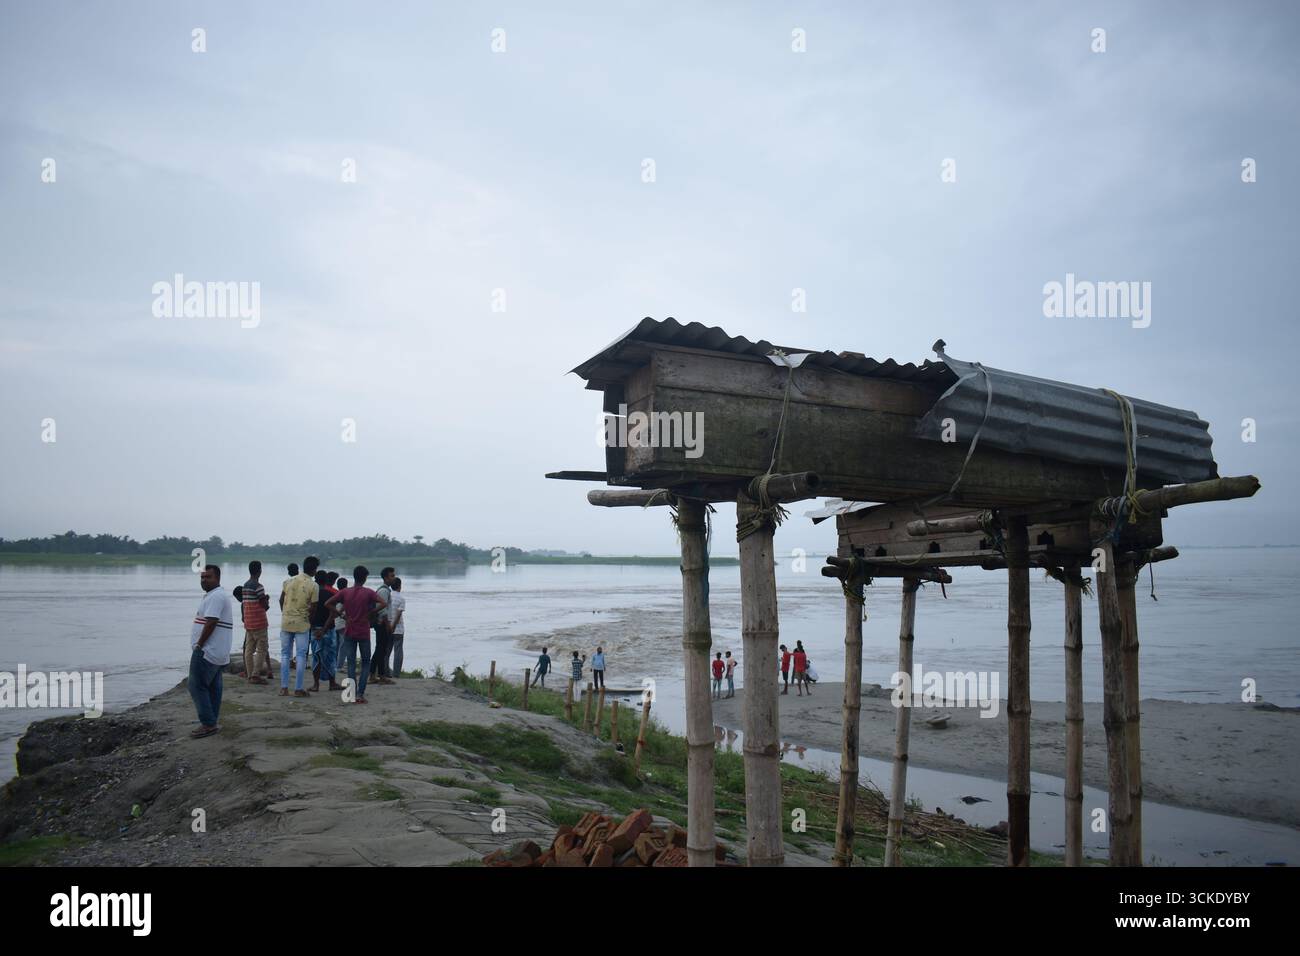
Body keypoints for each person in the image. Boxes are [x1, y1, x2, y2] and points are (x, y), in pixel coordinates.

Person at [324, 566, 386, 704]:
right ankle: (360, 694)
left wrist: (342, 614)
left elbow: (327, 603)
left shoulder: (345, 592)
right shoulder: (368, 592)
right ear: (365, 578)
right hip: (363, 631)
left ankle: (352, 693)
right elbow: (383, 603)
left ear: (354, 576)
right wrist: (371, 613)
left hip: (349, 630)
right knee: (365, 663)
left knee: (351, 663)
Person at [189, 564, 233, 738]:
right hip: (217, 651)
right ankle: (211, 720)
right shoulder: (215, 595)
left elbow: (211, 622)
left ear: (218, 578)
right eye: (202, 577)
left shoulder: (216, 596)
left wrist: (199, 645)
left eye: (208, 577)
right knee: (213, 687)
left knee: (196, 686)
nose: (204, 580)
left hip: (208, 651)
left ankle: (208, 724)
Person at [279, 555, 320, 697]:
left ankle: (284, 688)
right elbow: (314, 608)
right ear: (314, 569)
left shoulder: (288, 581)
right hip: (302, 623)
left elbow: (281, 600)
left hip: (286, 621)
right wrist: (309, 621)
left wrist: (286, 613)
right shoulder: (313, 585)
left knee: (285, 655)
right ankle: (298, 689)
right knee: (301, 655)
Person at [309, 570, 341, 692]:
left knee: (316, 657)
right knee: (330, 657)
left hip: (315, 629)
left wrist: (312, 627)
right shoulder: (331, 594)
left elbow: (309, 612)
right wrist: (324, 630)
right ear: (326, 580)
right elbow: (332, 614)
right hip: (328, 629)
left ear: (315, 580)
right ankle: (332, 683)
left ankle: (316, 684)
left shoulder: (311, 594)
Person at [239, 560, 270, 685]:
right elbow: (265, 606)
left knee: (249, 649)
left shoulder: (245, 586)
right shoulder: (258, 586)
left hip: (249, 622)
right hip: (259, 622)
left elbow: (247, 603)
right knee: (262, 649)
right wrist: (267, 599)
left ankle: (250, 674)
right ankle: (255, 675)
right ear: (259, 571)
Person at [369, 567, 396, 685]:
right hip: (382, 624)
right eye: (392, 576)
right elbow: (382, 610)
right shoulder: (384, 591)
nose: (394, 578)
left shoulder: (384, 590)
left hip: (380, 623)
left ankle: (373, 675)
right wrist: (388, 625)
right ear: (385, 578)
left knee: (379, 649)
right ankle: (381, 676)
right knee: (382, 650)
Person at [388, 577, 406, 677]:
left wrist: (390, 626)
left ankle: (385, 671)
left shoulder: (388, 595)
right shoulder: (401, 598)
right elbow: (398, 614)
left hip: (387, 627)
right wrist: (394, 626)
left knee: (387, 651)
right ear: (400, 586)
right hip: (398, 629)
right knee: (398, 651)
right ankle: (396, 673)